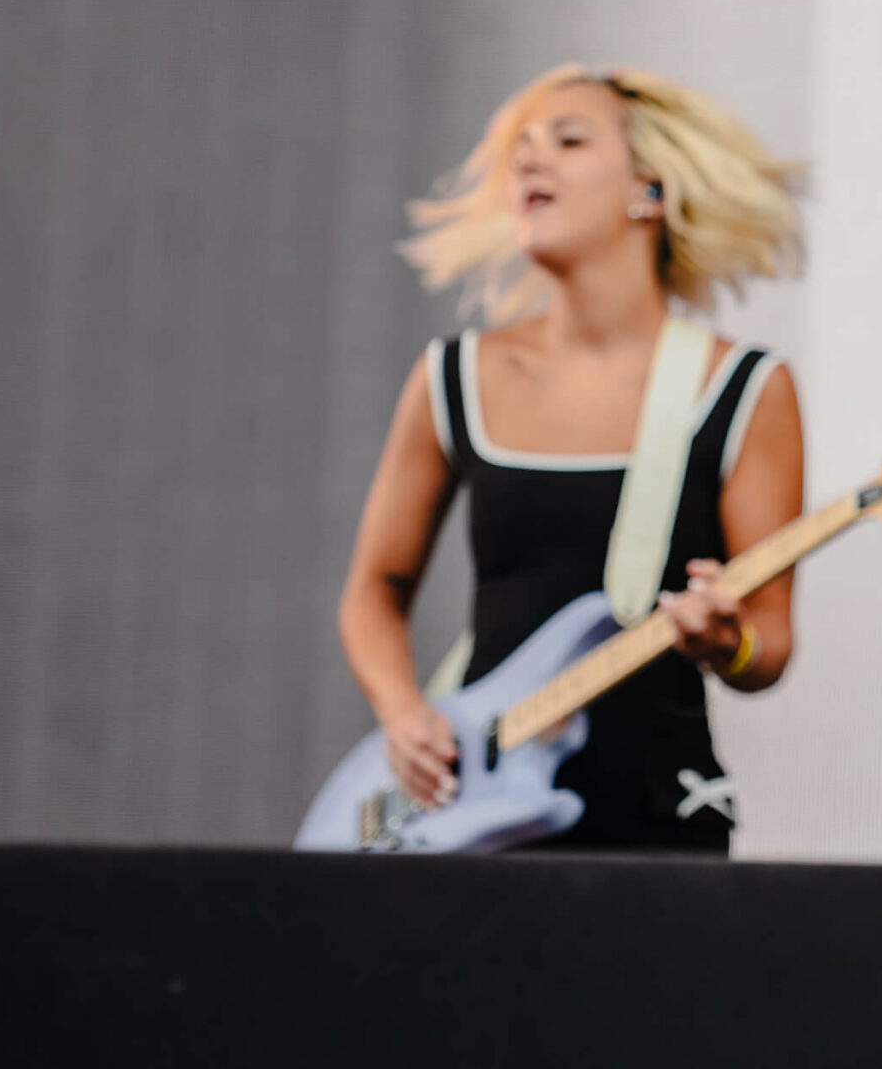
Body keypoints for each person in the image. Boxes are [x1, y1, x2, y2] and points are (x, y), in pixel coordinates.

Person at [337, 65, 805, 854]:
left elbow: (770, 642)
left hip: (655, 814)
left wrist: (728, 640)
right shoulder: (453, 376)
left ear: (649, 189)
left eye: (569, 138)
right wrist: (404, 716)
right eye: (520, 145)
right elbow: (373, 592)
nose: (530, 159)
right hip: (474, 806)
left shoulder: (746, 388)